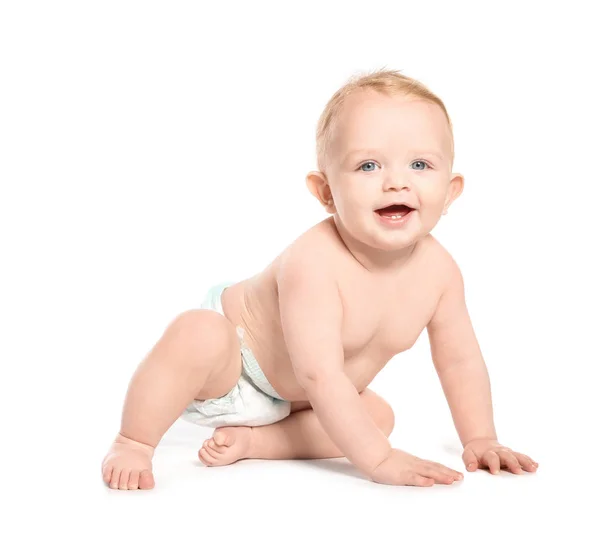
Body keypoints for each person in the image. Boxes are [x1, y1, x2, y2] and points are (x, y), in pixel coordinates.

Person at [101, 68, 539, 490]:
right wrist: (379, 460)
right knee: (197, 333)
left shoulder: (441, 274)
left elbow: (460, 361)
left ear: (451, 190)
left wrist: (480, 438)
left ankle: (256, 442)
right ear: (326, 192)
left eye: (421, 164)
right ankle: (133, 441)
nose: (396, 183)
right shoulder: (314, 263)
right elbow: (320, 374)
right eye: (368, 166)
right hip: (234, 368)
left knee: (378, 418)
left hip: (302, 404)